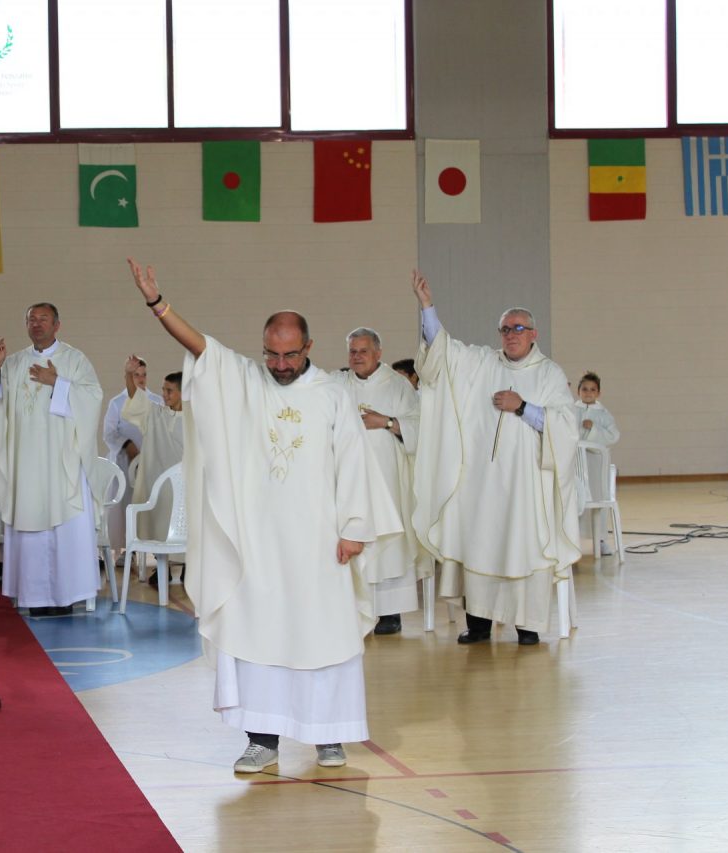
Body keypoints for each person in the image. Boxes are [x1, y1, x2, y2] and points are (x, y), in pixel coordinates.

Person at [127, 257, 400, 774]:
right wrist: (157, 304)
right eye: (271, 354)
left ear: (309, 347)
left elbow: (354, 463)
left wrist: (355, 529)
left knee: (324, 636)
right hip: (257, 543)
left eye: (289, 354)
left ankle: (329, 735)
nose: (279, 364)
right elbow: (202, 349)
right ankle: (262, 740)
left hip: (319, 543)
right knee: (258, 635)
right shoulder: (247, 380)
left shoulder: (333, 395)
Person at [410, 271, 580, 646]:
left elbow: (567, 427)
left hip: (525, 486)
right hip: (482, 484)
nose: (511, 335)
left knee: (522, 547)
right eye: (505, 329)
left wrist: (523, 407)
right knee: (480, 544)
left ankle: (527, 626)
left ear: (534, 334)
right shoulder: (483, 364)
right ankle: (479, 624)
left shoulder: (549, 374)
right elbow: (445, 352)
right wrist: (427, 307)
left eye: (518, 328)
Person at [0, 303, 103, 617]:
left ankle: (65, 596)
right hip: (26, 461)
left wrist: (57, 383)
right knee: (31, 528)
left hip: (62, 461)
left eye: (43, 319)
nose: (37, 324)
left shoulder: (75, 360)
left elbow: (92, 398)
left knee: (64, 528)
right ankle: (34, 596)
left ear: (57, 325)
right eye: (31, 320)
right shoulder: (14, 362)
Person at [335, 328, 430, 636]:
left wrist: (386, 422)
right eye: (352, 351)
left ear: (378, 353)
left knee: (386, 539)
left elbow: (420, 426)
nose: (357, 357)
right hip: (349, 477)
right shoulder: (337, 384)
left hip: (388, 478)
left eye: (363, 351)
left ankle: (389, 612)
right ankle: (352, 610)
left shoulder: (397, 385)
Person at [120, 356, 184, 544]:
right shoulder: (155, 414)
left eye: (169, 391)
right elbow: (135, 397)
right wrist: (129, 375)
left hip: (183, 490)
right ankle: (159, 561)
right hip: (156, 487)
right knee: (156, 530)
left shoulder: (195, 420)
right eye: (163, 390)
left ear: (183, 392)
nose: (164, 394)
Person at [102, 357, 161, 558]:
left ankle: (150, 550)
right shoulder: (116, 403)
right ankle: (123, 552)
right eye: (136, 375)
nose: (141, 379)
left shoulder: (156, 401)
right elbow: (109, 433)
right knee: (123, 507)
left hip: (148, 462)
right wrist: (127, 444)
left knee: (147, 504)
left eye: (144, 375)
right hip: (123, 462)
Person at [575, 371, 620, 556]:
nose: (588, 393)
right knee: (576, 501)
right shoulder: (571, 410)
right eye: (585, 389)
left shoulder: (604, 415)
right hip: (576, 466)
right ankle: (573, 541)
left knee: (597, 500)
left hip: (596, 466)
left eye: (592, 389)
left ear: (598, 393)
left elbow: (613, 436)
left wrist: (593, 428)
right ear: (578, 391)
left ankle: (600, 540)